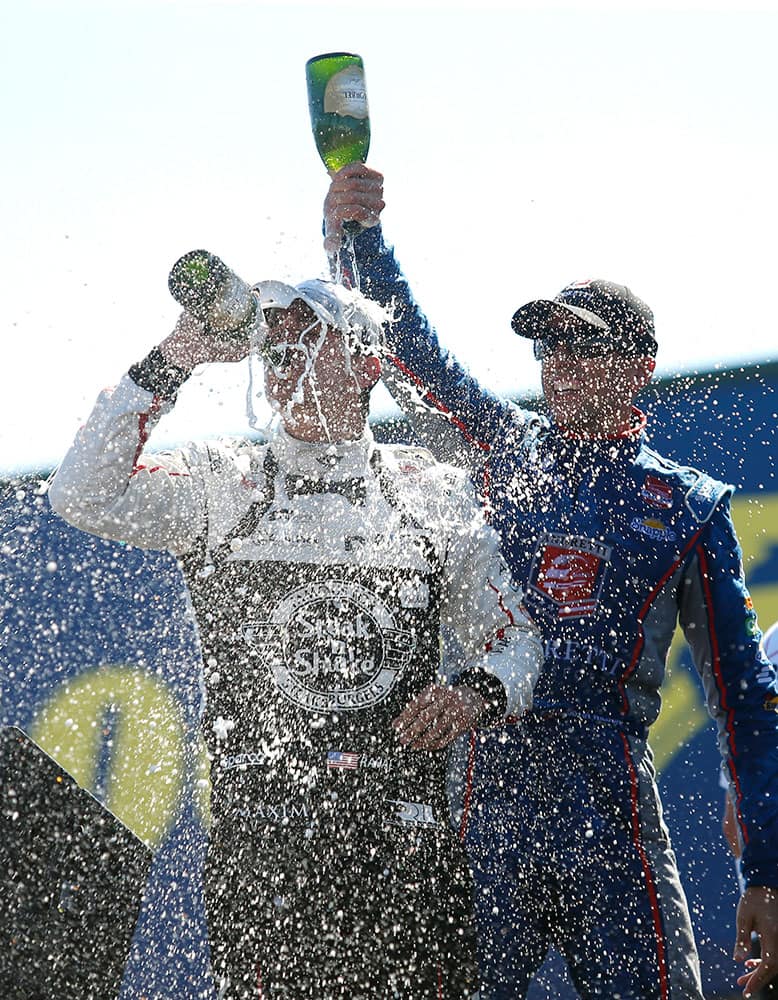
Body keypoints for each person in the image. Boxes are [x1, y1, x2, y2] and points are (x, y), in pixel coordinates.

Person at [322, 163, 778, 1000]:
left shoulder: (688, 506)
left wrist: (771, 871)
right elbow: (409, 349)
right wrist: (356, 238)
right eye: (549, 343)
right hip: (483, 786)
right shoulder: (504, 448)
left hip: (609, 794)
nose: (560, 360)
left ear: (640, 366)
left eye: (584, 343)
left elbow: (743, 701)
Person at [48, 266, 543, 999]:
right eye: (273, 338)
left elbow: (519, 641)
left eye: (307, 333)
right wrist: (175, 355)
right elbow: (80, 493)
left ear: (366, 359)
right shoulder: (223, 481)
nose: (287, 351)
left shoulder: (426, 490)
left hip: (406, 846)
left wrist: (475, 694)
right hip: (265, 851)